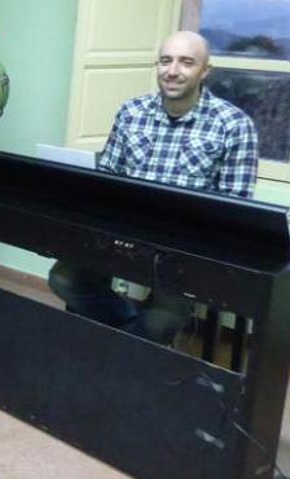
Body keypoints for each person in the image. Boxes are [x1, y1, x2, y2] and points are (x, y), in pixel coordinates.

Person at [47, 30, 259, 345]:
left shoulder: (235, 125)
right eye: (166, 60)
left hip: (182, 251)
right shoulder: (131, 112)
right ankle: (130, 339)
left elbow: (234, 208)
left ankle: (125, 350)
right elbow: (108, 178)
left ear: (205, 72)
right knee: (63, 278)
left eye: (186, 62)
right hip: (124, 237)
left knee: (164, 317)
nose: (173, 71)